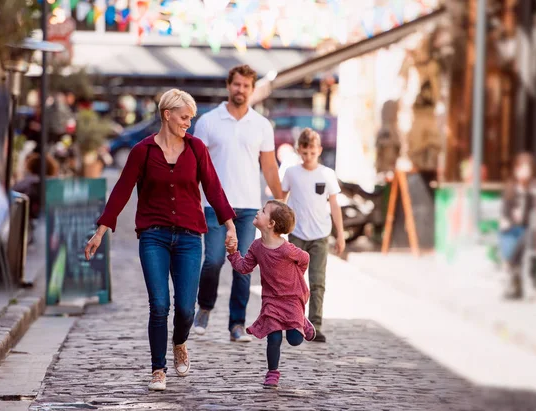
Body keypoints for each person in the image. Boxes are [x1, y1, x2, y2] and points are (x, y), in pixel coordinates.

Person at [84, 89, 237, 391]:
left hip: (190, 238)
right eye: (184, 118)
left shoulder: (196, 149)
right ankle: (158, 369)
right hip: (153, 236)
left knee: (185, 309)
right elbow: (121, 192)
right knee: (159, 304)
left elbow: (214, 189)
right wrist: (101, 230)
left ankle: (180, 342)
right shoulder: (142, 151)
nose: (188, 124)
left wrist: (230, 225)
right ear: (167, 115)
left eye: (191, 119)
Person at [192, 65, 283, 342]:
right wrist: (192, 200)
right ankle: (205, 308)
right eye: (237, 85)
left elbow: (269, 166)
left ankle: (237, 324)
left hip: (247, 209)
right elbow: (194, 166)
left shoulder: (261, 125)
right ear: (228, 86)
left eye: (246, 86)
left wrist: (279, 202)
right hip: (214, 206)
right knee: (213, 260)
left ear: (252, 90)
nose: (240, 90)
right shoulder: (208, 121)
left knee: (244, 266)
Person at [226, 200, 316, 388]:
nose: (258, 212)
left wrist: (297, 277)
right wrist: (233, 253)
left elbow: (305, 258)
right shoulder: (257, 247)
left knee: (294, 340)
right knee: (273, 337)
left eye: (263, 211)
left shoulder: (286, 249)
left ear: (271, 223)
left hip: (292, 298)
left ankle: (302, 321)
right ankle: (272, 372)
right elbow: (244, 267)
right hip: (271, 300)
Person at [282, 128, 345, 342]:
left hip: (320, 235)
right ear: (299, 150)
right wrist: (276, 229)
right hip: (297, 234)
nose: (308, 157)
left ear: (319, 150)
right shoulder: (291, 173)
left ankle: (315, 324)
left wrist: (341, 234)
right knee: (294, 283)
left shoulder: (327, 174)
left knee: (318, 281)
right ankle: (295, 323)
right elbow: (282, 200)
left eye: (312, 152)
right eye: (305, 152)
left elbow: (335, 205)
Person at [499, 152, 536, 299]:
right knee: (515, 237)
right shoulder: (509, 189)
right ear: (516, 170)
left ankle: (511, 267)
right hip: (510, 230)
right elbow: (504, 213)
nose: (524, 172)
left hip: (525, 231)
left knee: (526, 235)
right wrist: (509, 220)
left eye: (527, 169)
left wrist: (521, 218)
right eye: (522, 168)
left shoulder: (532, 192)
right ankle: (513, 272)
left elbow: (531, 217)